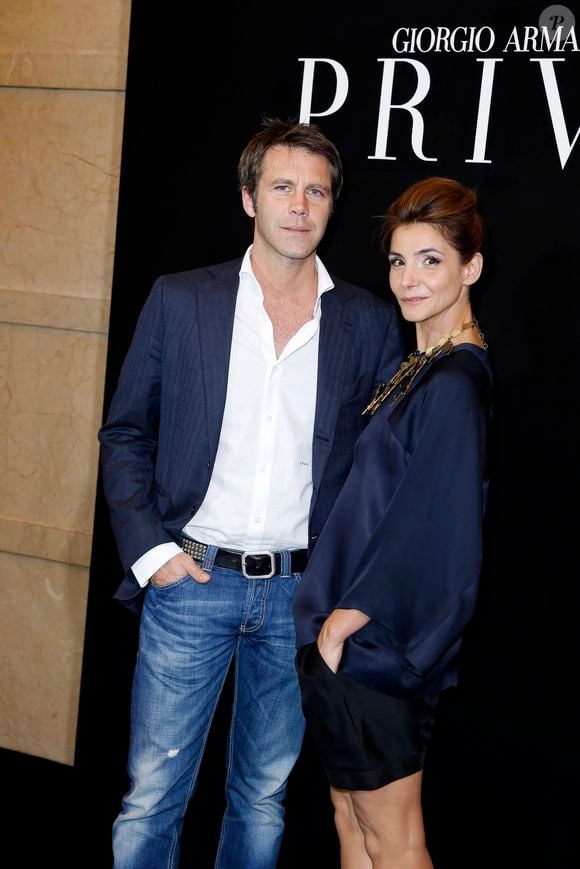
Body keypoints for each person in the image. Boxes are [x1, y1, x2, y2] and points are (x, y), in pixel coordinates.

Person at [98, 117, 404, 869]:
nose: (300, 205)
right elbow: (125, 433)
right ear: (248, 199)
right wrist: (151, 552)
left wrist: (345, 585)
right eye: (282, 187)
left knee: (262, 798)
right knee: (152, 795)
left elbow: (382, 471)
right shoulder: (180, 300)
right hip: (189, 582)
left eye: (317, 191)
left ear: (331, 206)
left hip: (299, 596)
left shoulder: (366, 321)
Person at [293, 176, 493, 868]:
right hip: (347, 642)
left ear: (471, 267)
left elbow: (438, 530)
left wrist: (349, 620)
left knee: (396, 838)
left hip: (382, 648)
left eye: (431, 259)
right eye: (399, 260)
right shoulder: (420, 367)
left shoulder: (457, 382)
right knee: (350, 821)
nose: (408, 279)